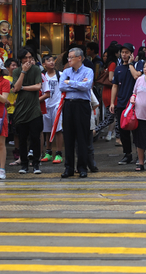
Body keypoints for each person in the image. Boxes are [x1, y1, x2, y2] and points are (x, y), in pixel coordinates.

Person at [58, 47, 95, 178]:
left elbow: (86, 86)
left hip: (82, 105)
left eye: (71, 57)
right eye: (68, 58)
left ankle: (82, 167)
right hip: (68, 105)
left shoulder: (88, 71)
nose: (68, 60)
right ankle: (68, 168)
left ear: (79, 58)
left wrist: (71, 82)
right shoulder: (66, 71)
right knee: (68, 137)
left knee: (82, 137)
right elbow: (61, 86)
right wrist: (77, 83)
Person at [11, 48, 44, 175]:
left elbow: (38, 86)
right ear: (20, 59)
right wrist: (23, 72)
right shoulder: (16, 71)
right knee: (22, 139)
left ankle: (36, 164)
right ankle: (24, 164)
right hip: (20, 110)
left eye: (30, 57)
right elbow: (15, 89)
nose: (28, 60)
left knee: (35, 138)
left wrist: (23, 87)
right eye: (25, 58)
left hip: (34, 109)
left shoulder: (36, 70)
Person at [110, 43, 144, 165]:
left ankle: (140, 155)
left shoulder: (138, 65)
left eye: (126, 52)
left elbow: (136, 76)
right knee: (123, 131)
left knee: (136, 131)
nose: (124, 54)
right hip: (121, 104)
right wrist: (112, 103)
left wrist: (130, 64)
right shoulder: (118, 69)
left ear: (131, 54)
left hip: (136, 105)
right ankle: (127, 154)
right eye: (122, 52)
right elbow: (114, 85)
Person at [39, 55, 64, 165]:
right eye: (48, 60)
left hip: (57, 105)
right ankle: (48, 152)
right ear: (44, 64)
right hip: (45, 105)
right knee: (47, 130)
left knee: (58, 130)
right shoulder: (42, 76)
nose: (51, 62)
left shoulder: (60, 75)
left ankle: (58, 153)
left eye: (52, 60)